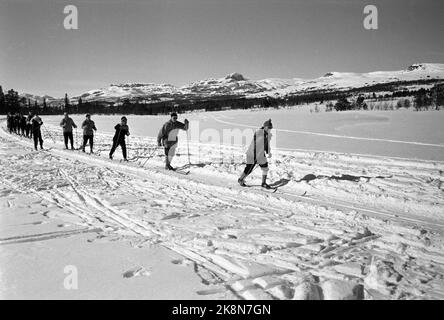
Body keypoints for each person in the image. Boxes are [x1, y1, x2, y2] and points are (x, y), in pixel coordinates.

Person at [238, 119, 273, 189]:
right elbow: (256, 144)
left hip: (260, 154)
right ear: (265, 126)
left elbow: (266, 144)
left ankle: (263, 183)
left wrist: (268, 152)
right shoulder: (260, 133)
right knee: (249, 169)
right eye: (269, 128)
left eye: (270, 128)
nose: (270, 129)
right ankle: (240, 179)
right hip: (252, 153)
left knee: (265, 167)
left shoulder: (267, 134)